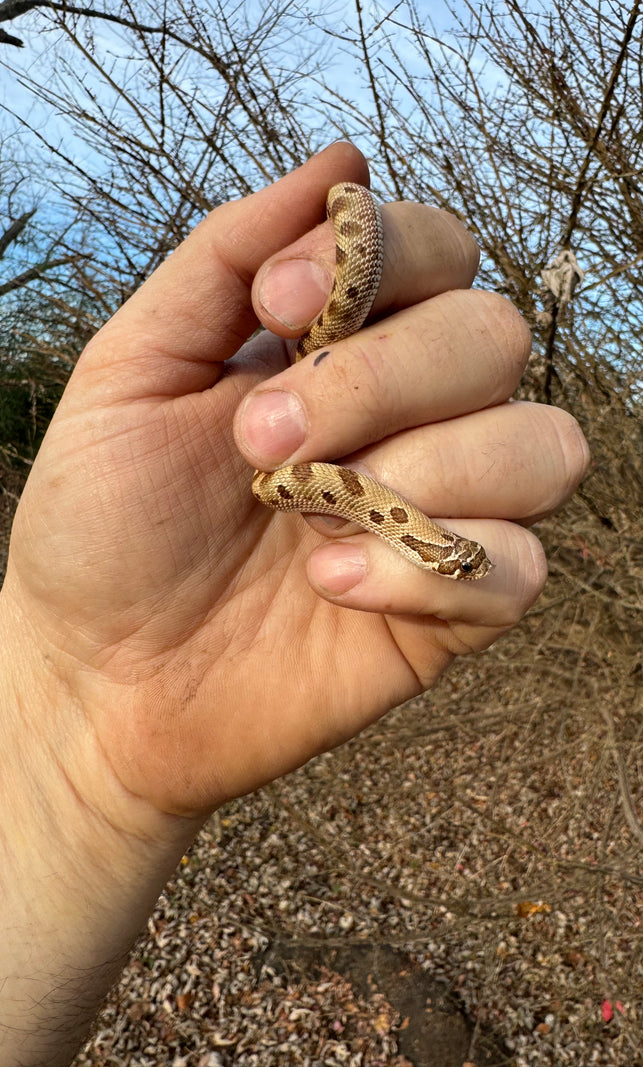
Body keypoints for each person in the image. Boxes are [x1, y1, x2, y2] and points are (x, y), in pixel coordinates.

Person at [0, 142, 589, 1065]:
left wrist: (76, 782)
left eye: (455, 555)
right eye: (455, 552)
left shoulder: (382, 537)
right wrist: (61, 725)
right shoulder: (348, 510)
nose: (461, 559)